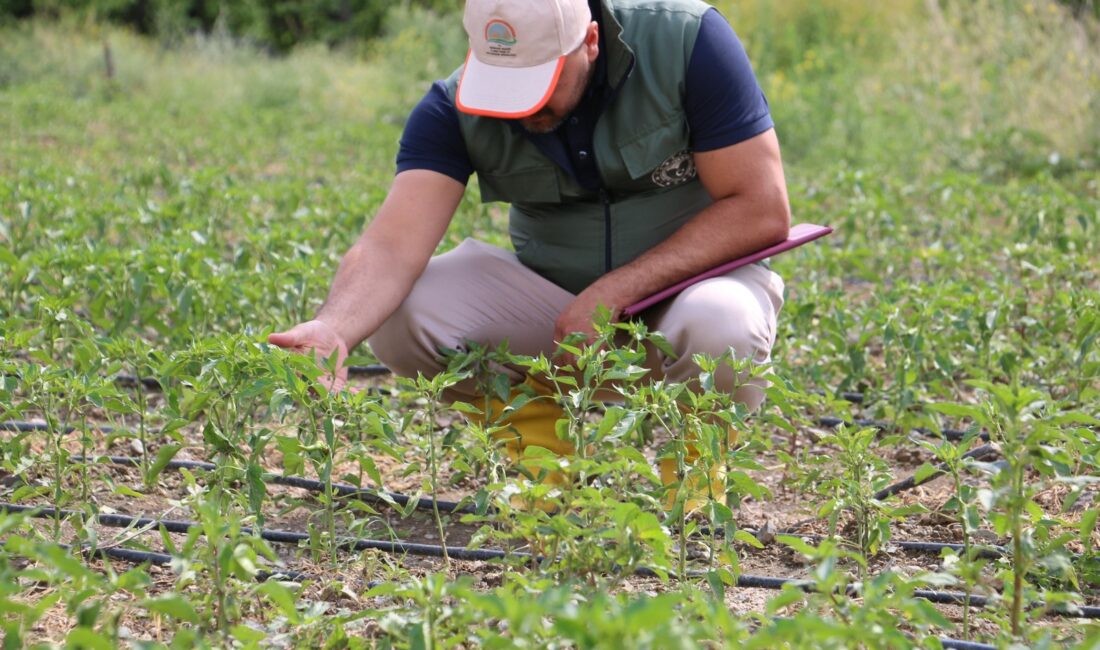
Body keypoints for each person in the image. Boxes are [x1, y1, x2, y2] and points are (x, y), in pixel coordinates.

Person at [269, 0, 790, 504]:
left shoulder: (686, 40)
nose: (523, 109)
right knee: (400, 314)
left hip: (686, 304)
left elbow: (761, 209)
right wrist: (334, 327)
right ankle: (541, 452)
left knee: (723, 324)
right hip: (558, 320)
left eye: (538, 84)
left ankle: (696, 486)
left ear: (589, 42)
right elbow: (390, 245)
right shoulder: (451, 107)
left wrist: (615, 292)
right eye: (505, 86)